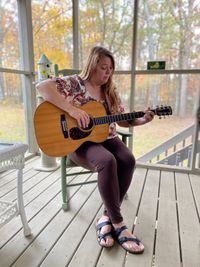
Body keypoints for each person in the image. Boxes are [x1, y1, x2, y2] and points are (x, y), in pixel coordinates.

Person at [36, 46, 154, 254]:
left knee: (127, 159)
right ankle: (118, 224)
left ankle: (105, 217)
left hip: (106, 137)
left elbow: (123, 121)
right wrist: (73, 110)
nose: (108, 73)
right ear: (92, 66)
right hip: (78, 141)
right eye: (103, 67)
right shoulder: (74, 83)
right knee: (107, 161)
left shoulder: (110, 92)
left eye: (110, 69)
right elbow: (42, 87)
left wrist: (143, 119)